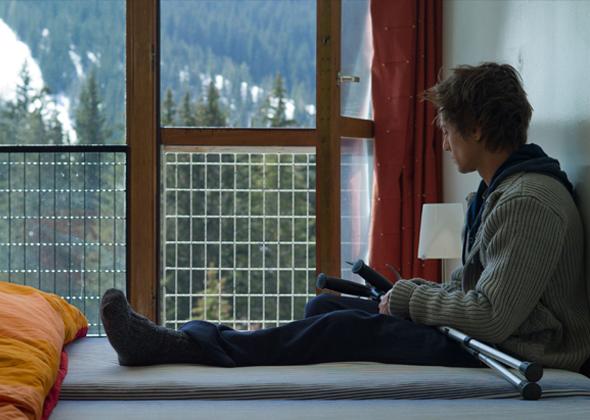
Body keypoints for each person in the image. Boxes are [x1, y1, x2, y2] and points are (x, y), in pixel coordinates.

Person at [101, 63, 590, 374]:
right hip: (487, 338)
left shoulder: (529, 202)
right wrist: (410, 295)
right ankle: (223, 347)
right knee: (323, 308)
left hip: (514, 351)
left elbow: (492, 316)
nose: (443, 142)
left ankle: (181, 346)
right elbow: (474, 290)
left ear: (477, 128)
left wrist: (409, 298)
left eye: (446, 129)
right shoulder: (498, 191)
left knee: (338, 329)